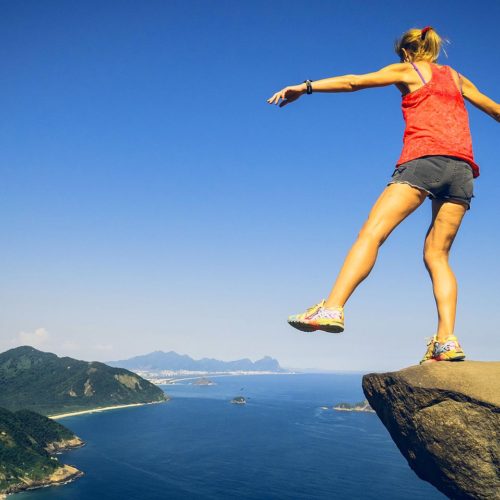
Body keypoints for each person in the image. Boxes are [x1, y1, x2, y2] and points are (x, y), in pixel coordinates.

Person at [267, 27, 499, 364]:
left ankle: (332, 307)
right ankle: (446, 340)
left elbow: (354, 81)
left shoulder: (409, 70)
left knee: (373, 233)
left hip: (423, 161)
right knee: (438, 256)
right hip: (463, 171)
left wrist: (304, 87)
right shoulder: (457, 78)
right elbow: (495, 110)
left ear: (406, 53)